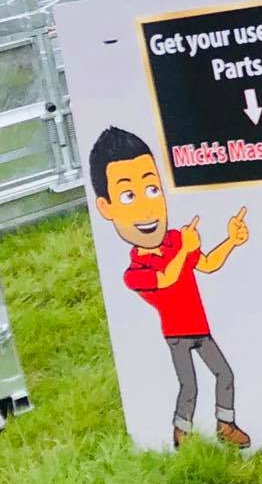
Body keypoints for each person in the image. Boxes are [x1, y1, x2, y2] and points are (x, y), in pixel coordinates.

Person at [90, 126, 251, 448]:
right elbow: (165, 278)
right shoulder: (135, 271)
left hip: (201, 328)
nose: (147, 208)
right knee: (189, 386)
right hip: (177, 335)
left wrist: (231, 241)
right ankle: (182, 433)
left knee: (225, 374)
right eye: (128, 196)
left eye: (152, 189)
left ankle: (226, 425)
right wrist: (183, 250)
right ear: (106, 207)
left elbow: (207, 263)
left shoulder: (176, 239)